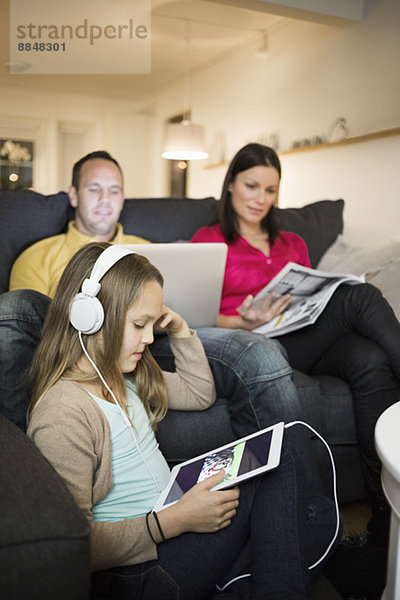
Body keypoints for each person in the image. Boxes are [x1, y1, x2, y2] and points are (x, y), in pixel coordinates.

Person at [27, 241, 339, 600]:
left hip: (170, 518)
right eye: (139, 324)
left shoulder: (121, 374)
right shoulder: (64, 410)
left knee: (283, 443)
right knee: (289, 472)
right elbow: (70, 545)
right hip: (142, 570)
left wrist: (179, 331)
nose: (148, 338)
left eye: (152, 324)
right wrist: (173, 521)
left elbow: (198, 392)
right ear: (90, 317)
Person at [0, 150, 309, 475]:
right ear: (74, 195)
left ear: (124, 199)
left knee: (260, 349)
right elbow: (30, 336)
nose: (105, 199)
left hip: (153, 346)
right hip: (81, 354)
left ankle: (287, 495)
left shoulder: (150, 251)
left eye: (115, 190)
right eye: (94, 189)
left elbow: (182, 318)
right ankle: (25, 466)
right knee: (16, 305)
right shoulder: (38, 256)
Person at [192, 142, 400, 597]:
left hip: (302, 337)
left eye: (270, 189)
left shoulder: (293, 242)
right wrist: (244, 320)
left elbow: (310, 304)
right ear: (230, 185)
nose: (259, 198)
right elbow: (198, 314)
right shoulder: (209, 241)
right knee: (362, 300)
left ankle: (385, 516)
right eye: (251, 186)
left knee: (368, 359)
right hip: (251, 341)